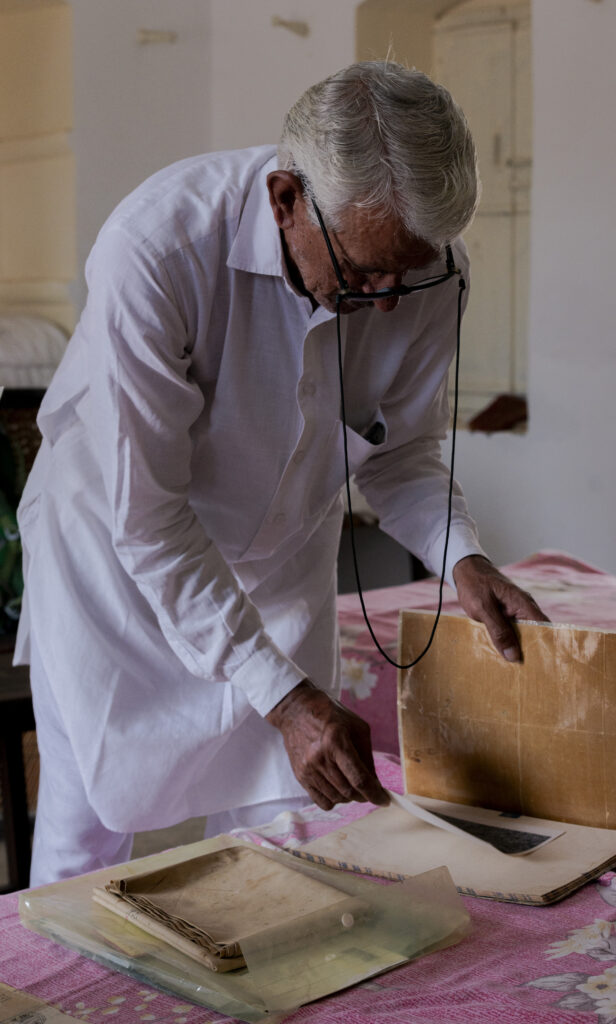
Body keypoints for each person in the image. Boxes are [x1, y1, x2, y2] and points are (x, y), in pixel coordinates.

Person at [15, 60, 546, 886]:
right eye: (366, 273)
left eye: (410, 273)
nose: (389, 301)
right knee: (87, 832)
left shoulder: (423, 270)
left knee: (283, 833)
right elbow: (150, 519)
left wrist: (461, 559)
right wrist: (287, 699)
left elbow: (398, 452)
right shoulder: (158, 248)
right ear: (285, 199)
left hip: (280, 557)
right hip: (117, 561)